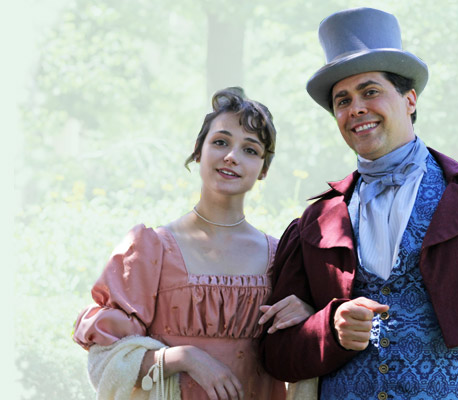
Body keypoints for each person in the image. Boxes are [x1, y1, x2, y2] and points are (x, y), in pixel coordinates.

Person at [259, 7, 458, 400]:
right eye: (342, 100)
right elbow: (276, 354)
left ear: (410, 99)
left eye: (370, 91)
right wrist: (328, 329)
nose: (356, 108)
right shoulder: (315, 223)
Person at [74, 87, 313, 400]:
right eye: (221, 142)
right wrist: (184, 357)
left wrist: (308, 313)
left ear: (263, 169)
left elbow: (303, 349)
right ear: (199, 150)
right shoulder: (149, 250)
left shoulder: (280, 256)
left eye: (250, 149)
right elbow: (106, 362)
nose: (232, 156)